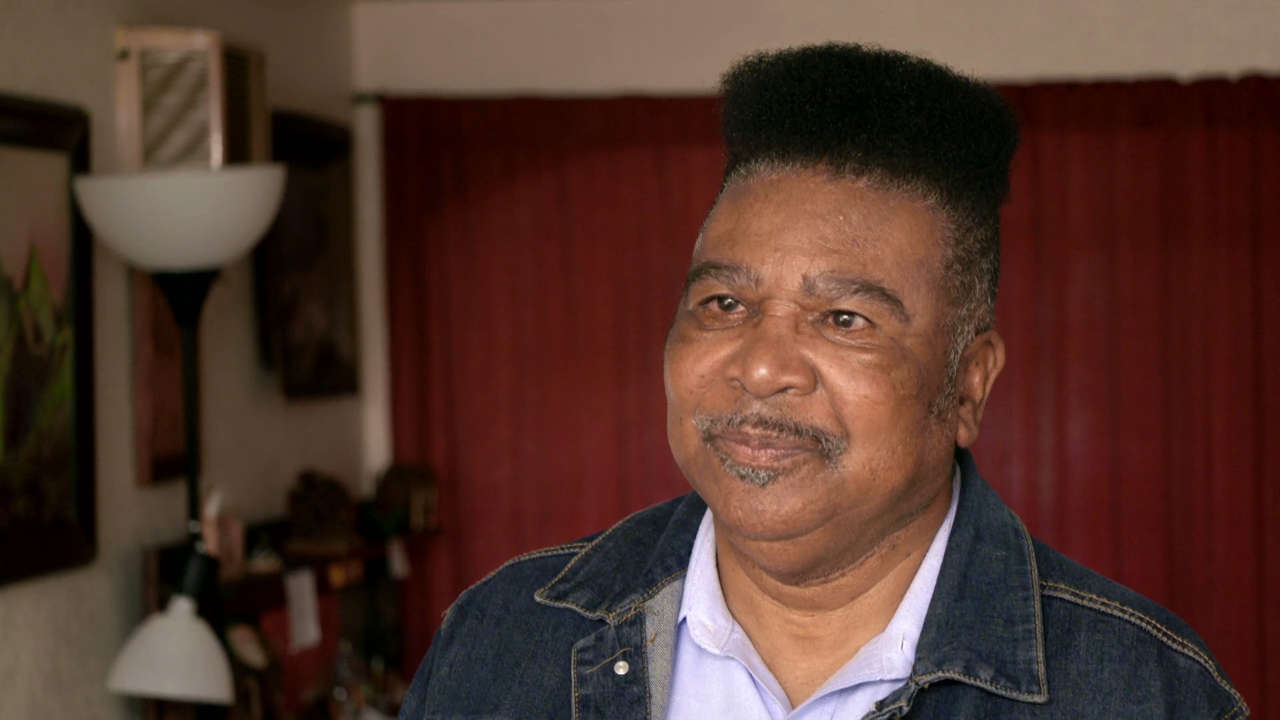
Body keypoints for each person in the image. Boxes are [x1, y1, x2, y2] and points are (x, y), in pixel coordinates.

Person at [398, 43, 1247, 719]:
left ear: (968, 386)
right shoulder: (505, 641)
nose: (761, 366)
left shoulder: (1144, 693)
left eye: (844, 319)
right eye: (724, 304)